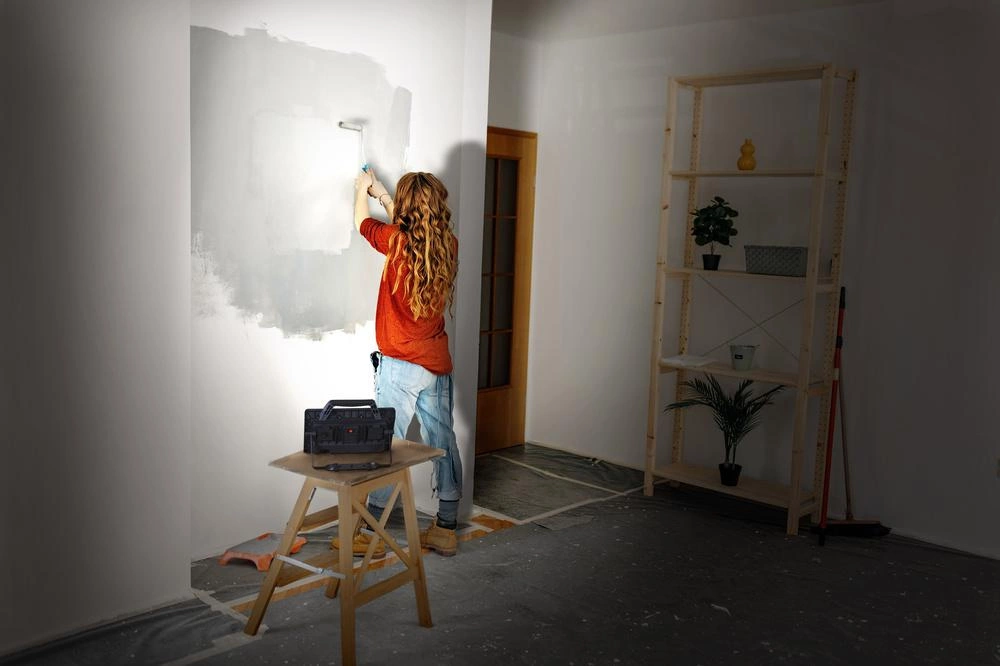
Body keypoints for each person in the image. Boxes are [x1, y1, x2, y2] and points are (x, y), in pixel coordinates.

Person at [337, 166, 462, 557]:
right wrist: (385, 196)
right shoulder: (448, 245)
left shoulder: (395, 242)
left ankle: (372, 534)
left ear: (407, 209)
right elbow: (415, 231)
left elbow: (361, 224)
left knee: (385, 445)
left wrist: (362, 190)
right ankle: (446, 528)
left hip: (400, 366)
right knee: (442, 441)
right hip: (436, 364)